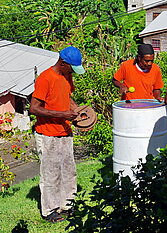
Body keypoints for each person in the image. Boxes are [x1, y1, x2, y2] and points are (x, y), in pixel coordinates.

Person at [29, 46, 85, 223]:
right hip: (48, 134)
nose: (73, 73)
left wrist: (77, 113)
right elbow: (34, 108)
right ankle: (50, 210)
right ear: (63, 63)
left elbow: (67, 97)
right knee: (51, 173)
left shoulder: (66, 75)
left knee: (69, 171)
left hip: (65, 131)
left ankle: (67, 205)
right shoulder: (46, 78)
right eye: (72, 68)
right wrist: (62, 115)